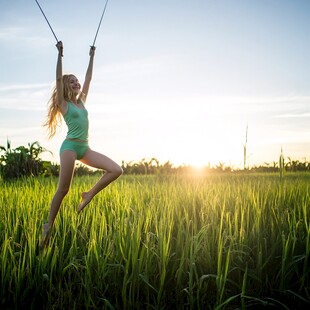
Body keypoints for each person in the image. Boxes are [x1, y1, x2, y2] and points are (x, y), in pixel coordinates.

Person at [42, 41, 122, 246]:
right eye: (73, 82)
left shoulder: (82, 102)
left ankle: (88, 194)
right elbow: (58, 78)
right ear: (66, 87)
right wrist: (59, 55)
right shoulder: (64, 104)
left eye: (77, 82)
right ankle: (48, 226)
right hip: (69, 147)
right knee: (63, 189)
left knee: (116, 170)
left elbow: (89, 78)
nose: (77, 84)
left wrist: (92, 56)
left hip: (85, 148)